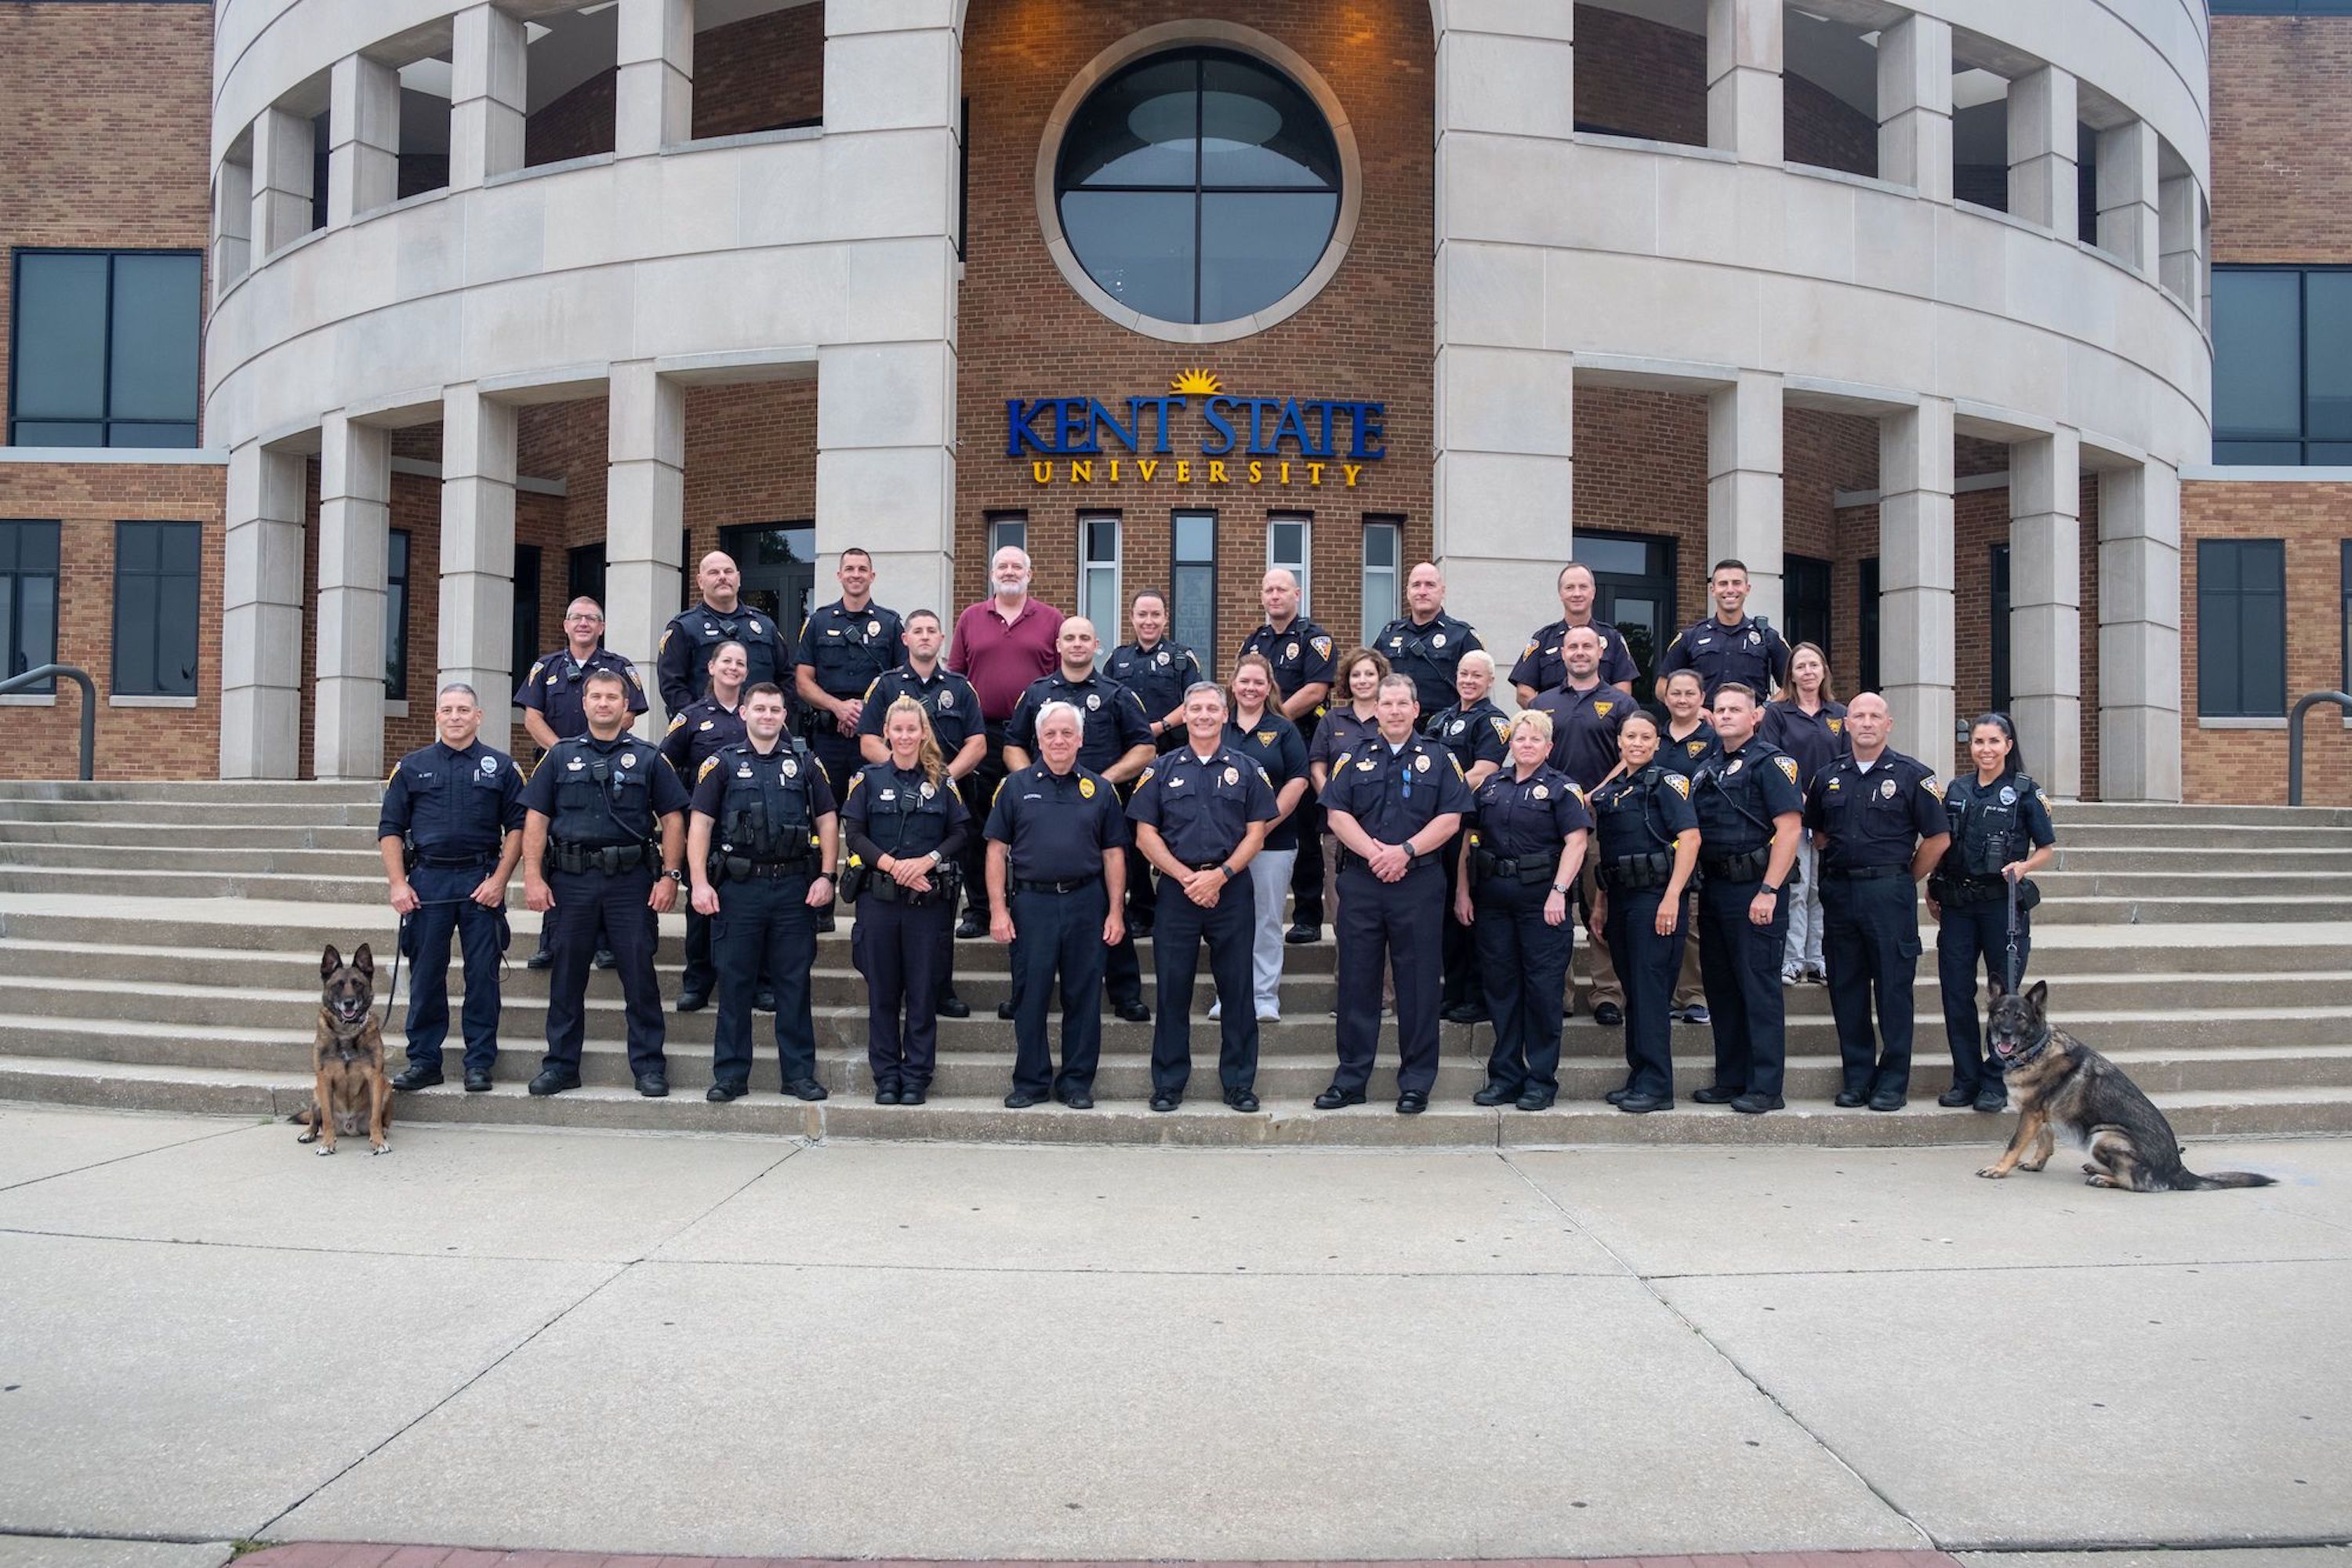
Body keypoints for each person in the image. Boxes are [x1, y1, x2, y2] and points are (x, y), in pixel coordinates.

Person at [520, 669, 689, 1098]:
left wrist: (670, 876)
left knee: (640, 977)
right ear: (584, 702)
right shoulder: (558, 756)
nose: (603, 703)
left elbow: (673, 820)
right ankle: (560, 1065)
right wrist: (533, 875)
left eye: (613, 697)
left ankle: (649, 1067)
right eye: (596, 696)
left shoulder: (650, 757)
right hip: (571, 880)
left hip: (630, 881)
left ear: (625, 705)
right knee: (566, 978)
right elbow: (535, 819)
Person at [1316, 673, 1474, 1115]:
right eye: (1387, 704)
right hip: (1363, 882)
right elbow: (1336, 814)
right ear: (1377, 709)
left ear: (1416, 708)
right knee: (1357, 982)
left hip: (1419, 883)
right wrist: (1375, 854)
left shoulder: (1441, 758)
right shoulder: (1352, 756)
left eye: (1403, 703)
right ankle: (1351, 1079)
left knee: (1419, 984)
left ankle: (1416, 1082)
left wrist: (1404, 852)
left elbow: (1451, 820)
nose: (1395, 711)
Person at [1129, 682, 1279, 1112]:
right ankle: (1169, 1083)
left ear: (1224, 715)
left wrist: (1221, 875)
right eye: (1195, 709)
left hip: (1231, 890)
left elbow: (1257, 832)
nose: (1204, 716)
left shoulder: (1248, 768)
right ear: (1186, 715)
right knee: (1172, 991)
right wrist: (1186, 878)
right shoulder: (1160, 769)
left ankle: (1238, 1083)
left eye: (1212, 709)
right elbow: (1145, 834)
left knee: (1238, 991)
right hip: (1177, 892)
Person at [686, 682, 839, 1104]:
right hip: (740, 888)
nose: (768, 715)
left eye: (775, 709)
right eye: (760, 709)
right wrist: (699, 883)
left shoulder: (805, 763)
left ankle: (798, 1075)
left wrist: (827, 875)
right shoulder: (721, 764)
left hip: (793, 887)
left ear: (784, 716)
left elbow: (827, 819)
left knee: (794, 984)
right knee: (734, 983)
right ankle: (731, 1076)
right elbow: (700, 825)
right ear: (745, 714)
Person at [1803, 691, 1951, 1112]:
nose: (1866, 722)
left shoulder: (1913, 776)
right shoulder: (1827, 776)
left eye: (1875, 716)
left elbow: (1938, 838)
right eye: (1858, 716)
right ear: (1845, 724)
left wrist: (1905, 876)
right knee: (1846, 989)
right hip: (1841, 893)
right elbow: (1818, 834)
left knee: (1893, 990)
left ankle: (1891, 1083)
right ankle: (1857, 1078)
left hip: (1889, 894)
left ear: (1889, 725)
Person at [1002, 616, 1156, 1022]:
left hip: (1098, 813)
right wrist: (1026, 782)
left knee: (1109, 901)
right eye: (1069, 637)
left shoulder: (1116, 694)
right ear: (1058, 644)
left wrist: (1103, 781)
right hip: (1043, 809)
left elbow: (1145, 747)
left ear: (1096, 645)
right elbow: (1013, 744)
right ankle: (1024, 996)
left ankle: (1124, 992)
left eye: (1084, 637)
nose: (1076, 644)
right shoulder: (1036, 694)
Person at [379, 684, 525, 1094]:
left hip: (481, 881)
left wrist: (499, 881)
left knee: (483, 976)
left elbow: (518, 828)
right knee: (426, 975)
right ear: (437, 716)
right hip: (428, 883)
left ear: (479, 716)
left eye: (464, 709)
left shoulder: (502, 767)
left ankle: (479, 1062)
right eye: (447, 709)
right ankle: (425, 1061)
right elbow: (390, 829)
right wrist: (397, 884)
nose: (456, 716)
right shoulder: (410, 767)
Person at [985, 702, 1129, 1109]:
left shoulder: (1100, 790)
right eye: (1050, 734)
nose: (1059, 740)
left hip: (1087, 903)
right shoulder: (1015, 787)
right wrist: (998, 909)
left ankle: (1076, 1083)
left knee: (1083, 997)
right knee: (1030, 995)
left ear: (1081, 739)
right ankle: (1030, 1082)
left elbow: (1114, 854)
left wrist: (1116, 911)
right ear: (1038, 740)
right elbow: (996, 852)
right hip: (1032, 905)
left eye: (1067, 733)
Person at [1454, 709, 1590, 1110]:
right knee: (1501, 988)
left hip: (1541, 901)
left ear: (1549, 747)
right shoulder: (1491, 786)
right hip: (1494, 899)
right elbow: (1468, 839)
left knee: (1543, 991)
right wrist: (1463, 892)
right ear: (1510, 745)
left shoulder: (1563, 789)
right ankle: (1505, 1076)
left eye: (1535, 739)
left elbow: (1577, 843)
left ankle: (1540, 1081)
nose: (1526, 745)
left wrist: (1558, 892)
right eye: (1519, 739)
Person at [841, 696, 972, 1105]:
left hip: (926, 905)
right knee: (882, 992)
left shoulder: (942, 781)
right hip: (879, 901)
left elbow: (959, 834)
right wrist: (895, 867)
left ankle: (916, 1076)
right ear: (887, 732)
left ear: (922, 733)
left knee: (921, 993)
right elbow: (856, 833)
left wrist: (926, 861)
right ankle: (887, 1076)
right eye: (897, 729)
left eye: (911, 729)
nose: (904, 736)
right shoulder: (867, 779)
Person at [859, 608, 987, 1018]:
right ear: (906, 639)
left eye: (933, 630)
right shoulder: (885, 686)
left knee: (942, 899)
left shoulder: (961, 687)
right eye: (918, 630)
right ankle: (897, 988)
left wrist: (940, 778)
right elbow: (867, 741)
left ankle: (940, 987)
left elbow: (978, 743)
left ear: (942, 639)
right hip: (891, 810)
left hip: (942, 810)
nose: (925, 636)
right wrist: (902, 771)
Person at [1928, 713, 2056, 1114]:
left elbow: (2047, 848)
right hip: (1958, 905)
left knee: (2006, 1001)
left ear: (2008, 745)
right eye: (1979, 742)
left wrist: (2025, 867)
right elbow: (1944, 844)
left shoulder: (2024, 791)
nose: (1985, 749)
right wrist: (1934, 886)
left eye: (1993, 742)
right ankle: (1964, 1078)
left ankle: (1994, 1080)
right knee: (1956, 992)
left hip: (2002, 906)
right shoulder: (1957, 789)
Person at [1687, 684, 1804, 1115]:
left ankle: (1766, 1086)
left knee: (1759, 988)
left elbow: (1789, 830)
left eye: (1737, 709)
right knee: (1722, 988)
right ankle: (1731, 1078)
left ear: (1756, 716)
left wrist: (1770, 890)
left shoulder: (1771, 763)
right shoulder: (1706, 766)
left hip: (1756, 889)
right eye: (1720, 709)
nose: (1728, 715)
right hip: (1716, 889)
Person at [515, 596, 645, 971]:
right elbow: (532, 718)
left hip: (610, 769)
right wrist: (569, 754)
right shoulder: (546, 667)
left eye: (592, 618)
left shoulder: (619, 668)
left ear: (601, 627)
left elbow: (631, 714)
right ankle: (551, 941)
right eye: (577, 618)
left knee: (602, 845)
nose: (584, 624)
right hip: (558, 772)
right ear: (566, 625)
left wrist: (594, 749)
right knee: (559, 851)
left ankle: (605, 943)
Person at [1584, 713, 1700, 1113]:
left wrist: (1672, 897)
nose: (1637, 743)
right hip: (1619, 900)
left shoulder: (1667, 783)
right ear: (1619, 742)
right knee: (1634, 991)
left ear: (1656, 743)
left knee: (1651, 994)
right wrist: (1600, 904)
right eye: (1630, 736)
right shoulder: (1613, 790)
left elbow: (1690, 839)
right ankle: (1639, 1076)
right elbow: (1608, 855)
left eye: (1645, 737)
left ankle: (1657, 1086)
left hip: (1655, 900)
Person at [949, 546, 1064, 937]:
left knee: (1037, 818)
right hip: (983, 736)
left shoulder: (1051, 619)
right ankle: (980, 909)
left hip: (1038, 738)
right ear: (992, 573)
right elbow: (957, 680)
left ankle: (1028, 903)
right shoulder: (970, 618)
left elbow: (1063, 680)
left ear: (1030, 574)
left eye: (1017, 566)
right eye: (1003, 566)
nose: (1010, 571)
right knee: (979, 824)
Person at [1532, 626, 1632, 1026]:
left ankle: (1607, 993)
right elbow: (1531, 753)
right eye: (1572, 646)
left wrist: (1594, 794)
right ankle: (1560, 992)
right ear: (1561, 653)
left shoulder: (1620, 702)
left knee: (1599, 908)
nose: (1579, 652)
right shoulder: (1543, 703)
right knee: (1554, 909)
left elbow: (1631, 756)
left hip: (1598, 819)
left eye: (1586, 646)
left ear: (1600, 652)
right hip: (1549, 821)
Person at [1239, 569, 1336, 944]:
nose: (1274, 596)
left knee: (1306, 830)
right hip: (1257, 752)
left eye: (1281, 589)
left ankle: (1308, 916)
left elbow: (1315, 690)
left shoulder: (1315, 639)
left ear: (1297, 594)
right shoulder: (1255, 642)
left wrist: (1272, 719)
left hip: (1303, 742)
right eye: (1268, 590)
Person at [1105, 590, 1206, 941]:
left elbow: (1194, 701)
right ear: (1131, 618)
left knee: (1174, 835)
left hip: (1172, 759)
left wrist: (1158, 727)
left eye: (1155, 615)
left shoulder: (1181, 658)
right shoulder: (1117, 661)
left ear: (1166, 618)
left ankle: (1175, 907)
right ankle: (1142, 910)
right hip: (1131, 764)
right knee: (1135, 838)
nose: (1148, 621)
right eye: (1142, 615)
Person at [1218, 652, 1310, 1023]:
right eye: (1244, 681)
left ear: (1270, 687)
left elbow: (1298, 781)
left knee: (1267, 919)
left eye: (1259, 682)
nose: (1251, 688)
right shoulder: (1219, 725)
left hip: (1273, 842)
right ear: (1233, 685)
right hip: (1221, 845)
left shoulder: (1284, 729)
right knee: (1229, 922)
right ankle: (1231, 995)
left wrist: (1262, 828)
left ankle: (1264, 995)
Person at [659, 641, 750, 1014]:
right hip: (704, 829)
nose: (733, 668)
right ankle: (697, 981)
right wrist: (679, 808)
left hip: (748, 829)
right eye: (726, 661)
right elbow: (662, 766)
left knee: (749, 909)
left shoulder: (756, 714)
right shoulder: (691, 717)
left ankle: (756, 980)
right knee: (701, 909)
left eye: (740, 663)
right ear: (711, 668)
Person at [1423, 649, 1511, 1024]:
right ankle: (1453, 990)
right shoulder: (1440, 719)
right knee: (1446, 915)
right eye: (1463, 674)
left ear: (1490, 681)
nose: (1469, 681)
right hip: (1437, 828)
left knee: (1471, 912)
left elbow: (1485, 770)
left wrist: (1439, 791)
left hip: (1471, 827)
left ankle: (1478, 996)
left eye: (1477, 675)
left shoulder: (1494, 721)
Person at [1761, 642, 1848, 984]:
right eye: (1801, 667)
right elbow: (1770, 757)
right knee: (1796, 888)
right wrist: (1796, 797)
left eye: (1814, 665)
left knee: (1820, 889)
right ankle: (1793, 959)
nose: (1808, 672)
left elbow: (1846, 761)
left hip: (1830, 815)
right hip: (1792, 813)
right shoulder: (1778, 714)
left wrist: (1824, 802)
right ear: (1791, 675)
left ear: (1824, 670)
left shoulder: (1839, 714)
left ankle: (1819, 957)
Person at [793, 546, 906, 798]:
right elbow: (802, 681)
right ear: (839, 575)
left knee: (877, 809)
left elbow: (901, 681)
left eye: (862, 569)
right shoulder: (818, 622)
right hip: (827, 737)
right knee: (825, 811)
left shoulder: (890, 623)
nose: (856, 575)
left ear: (872, 576)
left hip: (876, 736)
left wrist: (864, 713)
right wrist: (838, 707)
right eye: (850, 569)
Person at [658, 551, 794, 720]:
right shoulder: (684, 627)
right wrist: (698, 722)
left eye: (728, 572)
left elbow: (787, 677)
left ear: (738, 578)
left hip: (760, 729)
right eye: (714, 572)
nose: (722, 577)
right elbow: (672, 686)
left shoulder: (765, 625)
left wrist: (775, 716)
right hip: (707, 734)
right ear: (700, 582)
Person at [1657, 669, 1719, 1025]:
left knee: (1692, 923)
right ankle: (1664, 994)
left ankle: (1694, 995)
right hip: (1656, 840)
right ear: (1666, 698)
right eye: (1675, 693)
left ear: (1701, 698)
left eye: (1689, 694)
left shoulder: (1712, 738)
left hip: (1696, 841)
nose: (1682, 700)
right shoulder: (1655, 736)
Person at [1656, 558, 1791, 703]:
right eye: (1723, 584)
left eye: (1737, 583)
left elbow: (1792, 686)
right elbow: (1662, 687)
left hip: (1753, 724)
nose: (1730, 589)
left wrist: (1766, 709)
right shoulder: (1690, 637)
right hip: (1705, 723)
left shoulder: (1767, 637)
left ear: (1747, 588)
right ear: (1713, 590)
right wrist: (1696, 711)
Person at [1510, 562, 1639, 704]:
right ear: (1561, 594)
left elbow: (1623, 690)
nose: (1577, 594)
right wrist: (1547, 718)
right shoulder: (1543, 639)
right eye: (1570, 588)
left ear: (1593, 592)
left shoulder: (1613, 638)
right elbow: (1524, 692)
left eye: (1583, 587)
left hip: (1602, 723)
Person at [1374, 561, 1483, 715]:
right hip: (1396, 725)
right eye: (1416, 585)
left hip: (1443, 732)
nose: (1422, 591)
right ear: (1407, 592)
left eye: (1430, 585)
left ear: (1442, 591)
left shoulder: (1462, 636)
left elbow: (1479, 689)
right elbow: (1372, 682)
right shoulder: (1389, 634)